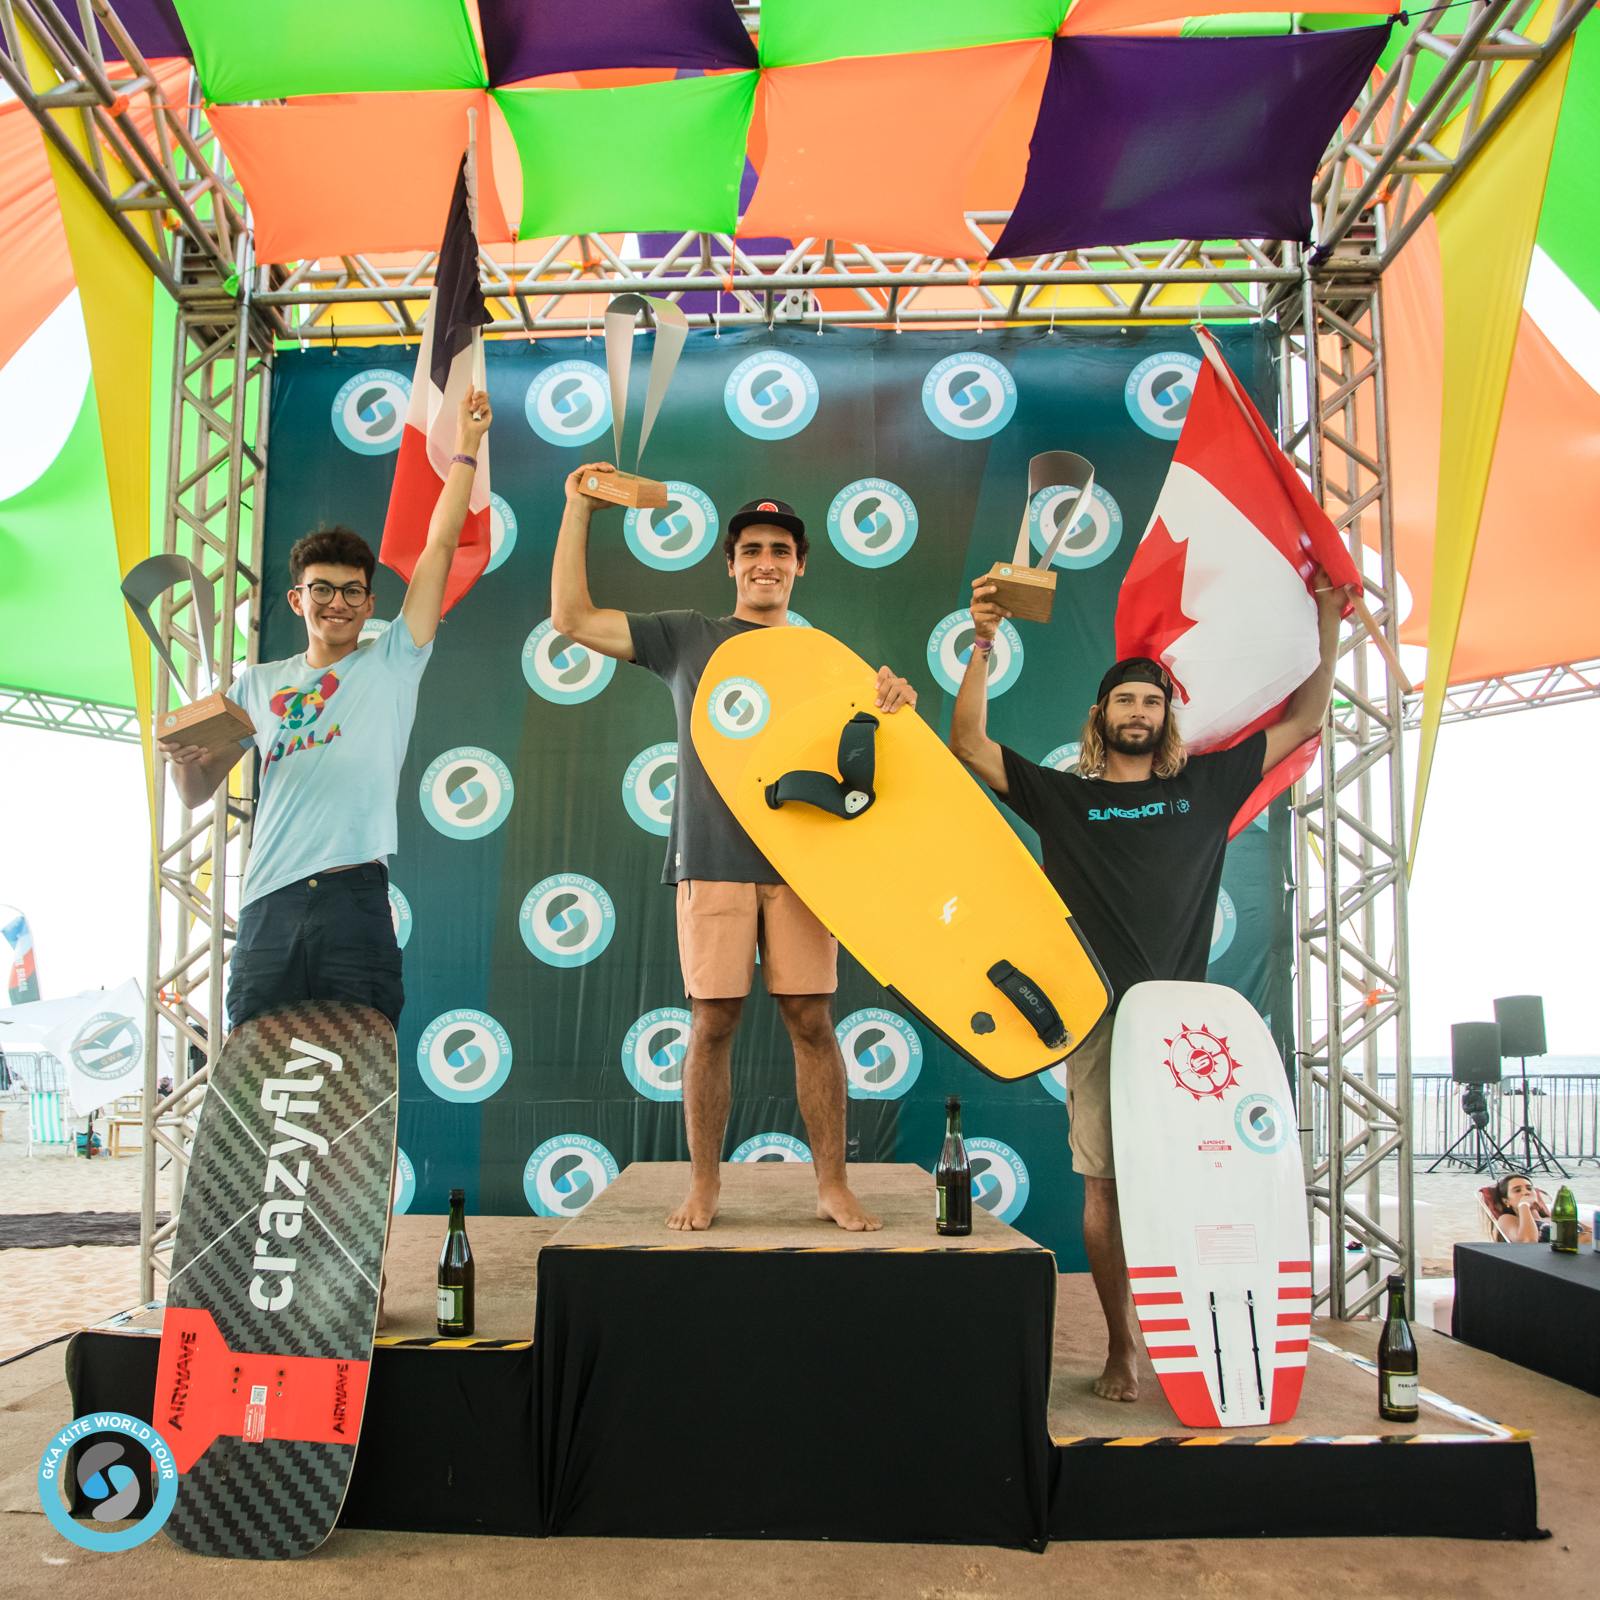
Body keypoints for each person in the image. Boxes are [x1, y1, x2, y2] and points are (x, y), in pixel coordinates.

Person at [948, 568, 1349, 1401]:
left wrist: (1327, 618)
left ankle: (1206, 1336)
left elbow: (1306, 718)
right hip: (1100, 1023)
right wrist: (983, 640)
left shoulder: (1209, 785)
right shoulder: (1064, 797)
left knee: (1203, 1181)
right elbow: (971, 746)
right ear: (1101, 717)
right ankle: (1121, 1346)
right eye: (1125, 701)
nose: (1139, 712)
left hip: (1187, 1032)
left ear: (1167, 717)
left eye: (1152, 702)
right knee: (1105, 1185)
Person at [551, 464, 917, 1234]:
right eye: (751, 549)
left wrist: (894, 702)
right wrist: (578, 509)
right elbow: (572, 619)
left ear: (800, 565)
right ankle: (704, 1186)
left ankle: (832, 1185)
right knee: (712, 1022)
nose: (765, 562)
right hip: (712, 859)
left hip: (802, 864)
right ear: (730, 564)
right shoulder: (688, 636)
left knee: (812, 1019)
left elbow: (869, 758)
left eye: (780, 550)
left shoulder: (825, 658)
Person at [159, 387, 493, 1034]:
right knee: (255, 1071)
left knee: (360, 1070)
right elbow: (198, 790)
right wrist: (182, 760)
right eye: (321, 590)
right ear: (296, 599)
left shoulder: (394, 659)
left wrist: (468, 449)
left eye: (351, 592)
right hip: (267, 902)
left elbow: (439, 546)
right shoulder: (256, 685)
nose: (336, 603)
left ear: (370, 604)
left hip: (353, 899)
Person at [1486, 1173, 1592, 1244]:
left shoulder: (1552, 1217)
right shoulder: (1508, 1219)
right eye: (1517, 1190)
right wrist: (1524, 1205)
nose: (1526, 1192)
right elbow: (1528, 1241)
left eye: (1529, 1188)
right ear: (1506, 1201)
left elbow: (1593, 1231)